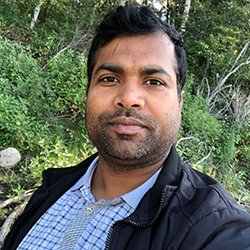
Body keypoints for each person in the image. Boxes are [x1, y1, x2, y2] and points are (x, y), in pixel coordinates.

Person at [3, 5, 250, 250]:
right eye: (109, 79)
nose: (129, 97)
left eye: (154, 81)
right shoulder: (51, 188)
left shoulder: (212, 228)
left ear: (179, 102)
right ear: (88, 92)